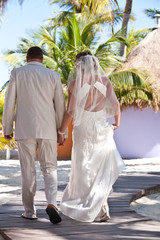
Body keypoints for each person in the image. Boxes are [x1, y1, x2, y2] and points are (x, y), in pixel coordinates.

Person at [58, 51, 125, 222]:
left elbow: (71, 111)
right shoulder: (104, 81)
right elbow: (116, 105)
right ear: (95, 64)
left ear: (78, 65)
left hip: (83, 129)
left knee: (84, 166)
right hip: (101, 127)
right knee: (101, 167)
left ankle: (93, 205)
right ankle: (103, 205)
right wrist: (117, 123)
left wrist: (61, 132)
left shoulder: (74, 84)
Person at [2, 46, 66, 224]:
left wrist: (7, 127)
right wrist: (62, 131)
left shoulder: (17, 73)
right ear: (42, 59)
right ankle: (52, 203)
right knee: (50, 168)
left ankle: (30, 212)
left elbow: (9, 102)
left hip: (25, 129)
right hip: (48, 129)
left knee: (28, 171)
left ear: (27, 58)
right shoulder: (53, 75)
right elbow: (60, 105)